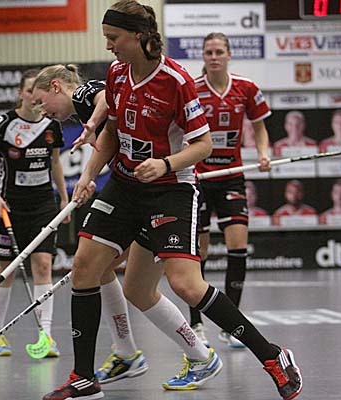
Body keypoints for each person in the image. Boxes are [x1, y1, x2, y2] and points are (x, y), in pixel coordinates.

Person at [42, 4, 302, 400]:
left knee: (186, 285)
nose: (109, 46)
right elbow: (112, 131)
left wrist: (165, 163)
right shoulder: (116, 73)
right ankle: (84, 377)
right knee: (87, 269)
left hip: (170, 189)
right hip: (125, 186)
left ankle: (272, 355)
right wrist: (89, 174)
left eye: (114, 38)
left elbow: (203, 145)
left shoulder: (176, 81)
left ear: (139, 36)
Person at [34, 64, 213, 385]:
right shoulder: (82, 109)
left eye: (41, 101)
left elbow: (106, 97)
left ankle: (196, 353)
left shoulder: (84, 95)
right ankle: (128, 352)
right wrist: (90, 175)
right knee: (107, 273)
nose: (43, 110)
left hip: (160, 193)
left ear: (57, 87)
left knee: (160, 285)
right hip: (133, 191)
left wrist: (92, 124)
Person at [0, 69, 69, 358]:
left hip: (43, 205)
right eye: (29, 91)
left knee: (43, 265)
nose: (34, 98)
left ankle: (46, 336)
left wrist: (64, 199)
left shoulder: (52, 125)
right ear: (21, 93)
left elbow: (55, 164)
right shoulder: (4, 123)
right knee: (7, 270)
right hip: (9, 206)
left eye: (37, 92)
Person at [190, 31, 273, 349]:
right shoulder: (192, 89)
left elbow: (259, 127)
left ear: (228, 55)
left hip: (232, 176)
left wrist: (263, 154)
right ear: (203, 56)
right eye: (209, 52)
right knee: (199, 252)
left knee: (238, 244)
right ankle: (197, 324)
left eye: (219, 52)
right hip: (199, 178)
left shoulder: (246, 87)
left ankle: (232, 325)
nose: (214, 57)